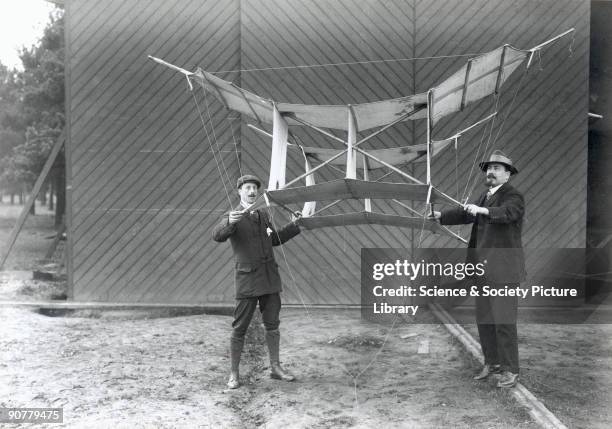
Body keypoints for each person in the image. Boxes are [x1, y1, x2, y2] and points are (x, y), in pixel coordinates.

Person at [431, 150, 525, 388]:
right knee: (485, 319)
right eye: (489, 168)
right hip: (482, 272)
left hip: (504, 272)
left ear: (507, 175)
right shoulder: (485, 195)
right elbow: (466, 212)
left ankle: (511, 369)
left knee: (503, 321)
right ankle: (492, 362)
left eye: (496, 168)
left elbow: (508, 213)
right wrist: (441, 216)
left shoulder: (513, 196)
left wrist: (483, 211)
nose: (491, 172)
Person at [212, 174, 301, 389]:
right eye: (248, 188)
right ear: (240, 192)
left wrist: (295, 224)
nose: (252, 192)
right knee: (239, 328)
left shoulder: (263, 215)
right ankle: (234, 373)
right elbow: (217, 235)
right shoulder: (232, 216)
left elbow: (274, 239)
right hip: (248, 281)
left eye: (255, 188)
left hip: (269, 279)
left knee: (272, 325)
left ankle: (276, 368)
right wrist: (229, 222)